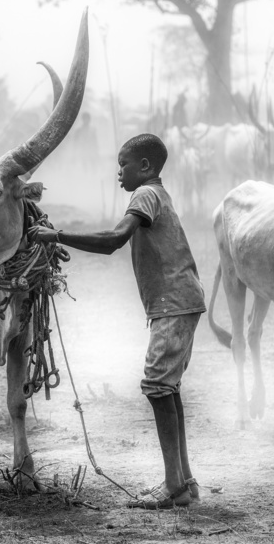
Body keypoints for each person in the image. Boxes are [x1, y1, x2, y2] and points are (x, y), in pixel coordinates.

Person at [28, 133, 206, 509]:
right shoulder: (158, 195)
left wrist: (53, 235)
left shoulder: (145, 195)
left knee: (156, 386)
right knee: (168, 388)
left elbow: (113, 240)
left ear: (145, 167)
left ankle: (173, 486)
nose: (118, 173)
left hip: (173, 302)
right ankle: (184, 481)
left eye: (122, 165)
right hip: (180, 301)